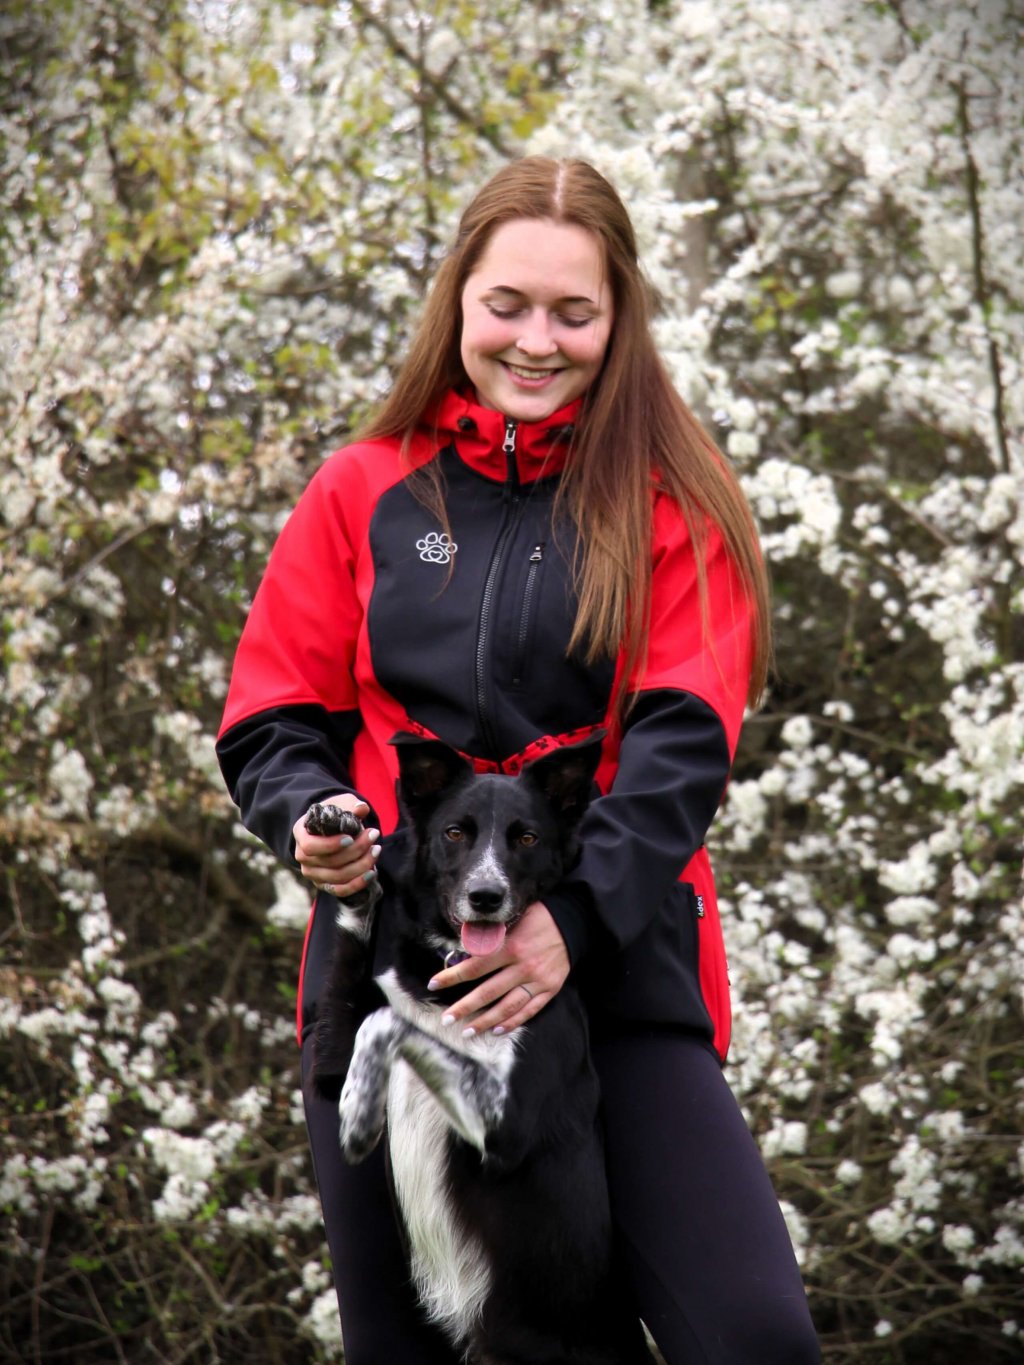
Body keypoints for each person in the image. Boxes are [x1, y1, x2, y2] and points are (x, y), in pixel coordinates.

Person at [216, 156, 821, 1364]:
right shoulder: (361, 490)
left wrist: (572, 921)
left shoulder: (671, 503)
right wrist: (312, 819)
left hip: (617, 981)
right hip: (393, 988)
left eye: (573, 312)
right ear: (458, 301)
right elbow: (274, 713)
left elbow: (680, 743)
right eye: (506, 304)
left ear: (619, 316)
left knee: (751, 1336)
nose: (534, 340)